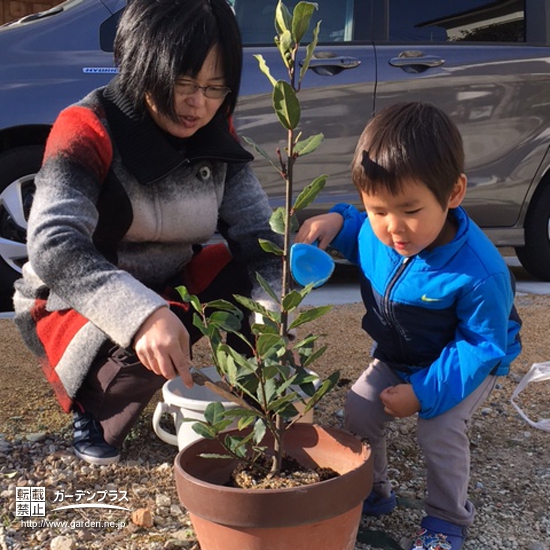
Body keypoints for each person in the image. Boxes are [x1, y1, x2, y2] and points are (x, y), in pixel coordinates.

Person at [13, 0, 282, 466]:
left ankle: (261, 394)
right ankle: (92, 409)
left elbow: (257, 232)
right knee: (147, 343)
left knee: (250, 273)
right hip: (80, 298)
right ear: (141, 64)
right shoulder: (87, 127)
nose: (199, 103)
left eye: (216, 87)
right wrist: (140, 314)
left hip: (170, 281)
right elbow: (54, 244)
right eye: (183, 83)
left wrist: (274, 317)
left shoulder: (217, 132)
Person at [296, 102, 522, 550]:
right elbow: (359, 227)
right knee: (359, 407)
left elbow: (482, 344)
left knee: (438, 429)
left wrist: (423, 392)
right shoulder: (376, 233)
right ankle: (371, 492)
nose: (394, 228)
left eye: (410, 210)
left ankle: (446, 521)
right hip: (399, 351)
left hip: (464, 361)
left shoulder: (480, 272)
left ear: (454, 192)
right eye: (378, 209)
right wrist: (337, 220)